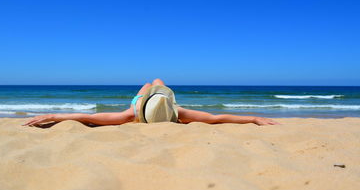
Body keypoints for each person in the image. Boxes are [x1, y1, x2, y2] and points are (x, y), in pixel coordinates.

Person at [23, 78, 279, 127]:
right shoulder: (179, 113)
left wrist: (56, 115)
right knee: (156, 80)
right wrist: (254, 118)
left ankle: (154, 90)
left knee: (151, 82)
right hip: (156, 103)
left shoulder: (130, 114)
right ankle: (157, 90)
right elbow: (217, 118)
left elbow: (88, 118)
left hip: (144, 103)